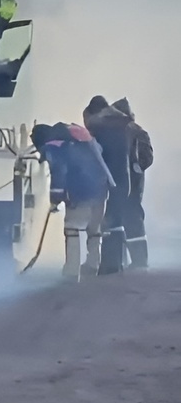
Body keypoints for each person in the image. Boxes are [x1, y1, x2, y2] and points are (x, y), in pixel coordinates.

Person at [31, 121, 114, 282]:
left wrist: (55, 200)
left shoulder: (53, 146)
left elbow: (59, 172)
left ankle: (71, 271)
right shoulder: (76, 139)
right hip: (101, 188)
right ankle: (93, 265)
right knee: (94, 229)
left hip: (80, 191)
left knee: (72, 229)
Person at [83, 95, 134, 275]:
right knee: (116, 219)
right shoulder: (120, 125)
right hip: (122, 177)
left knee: (110, 221)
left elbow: (99, 156)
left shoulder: (103, 129)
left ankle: (110, 265)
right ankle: (117, 262)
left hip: (111, 178)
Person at [112, 97, 153, 269]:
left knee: (129, 218)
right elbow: (147, 157)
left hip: (127, 182)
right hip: (132, 182)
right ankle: (137, 260)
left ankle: (136, 261)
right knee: (131, 218)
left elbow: (146, 158)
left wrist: (136, 166)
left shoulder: (130, 132)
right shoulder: (136, 131)